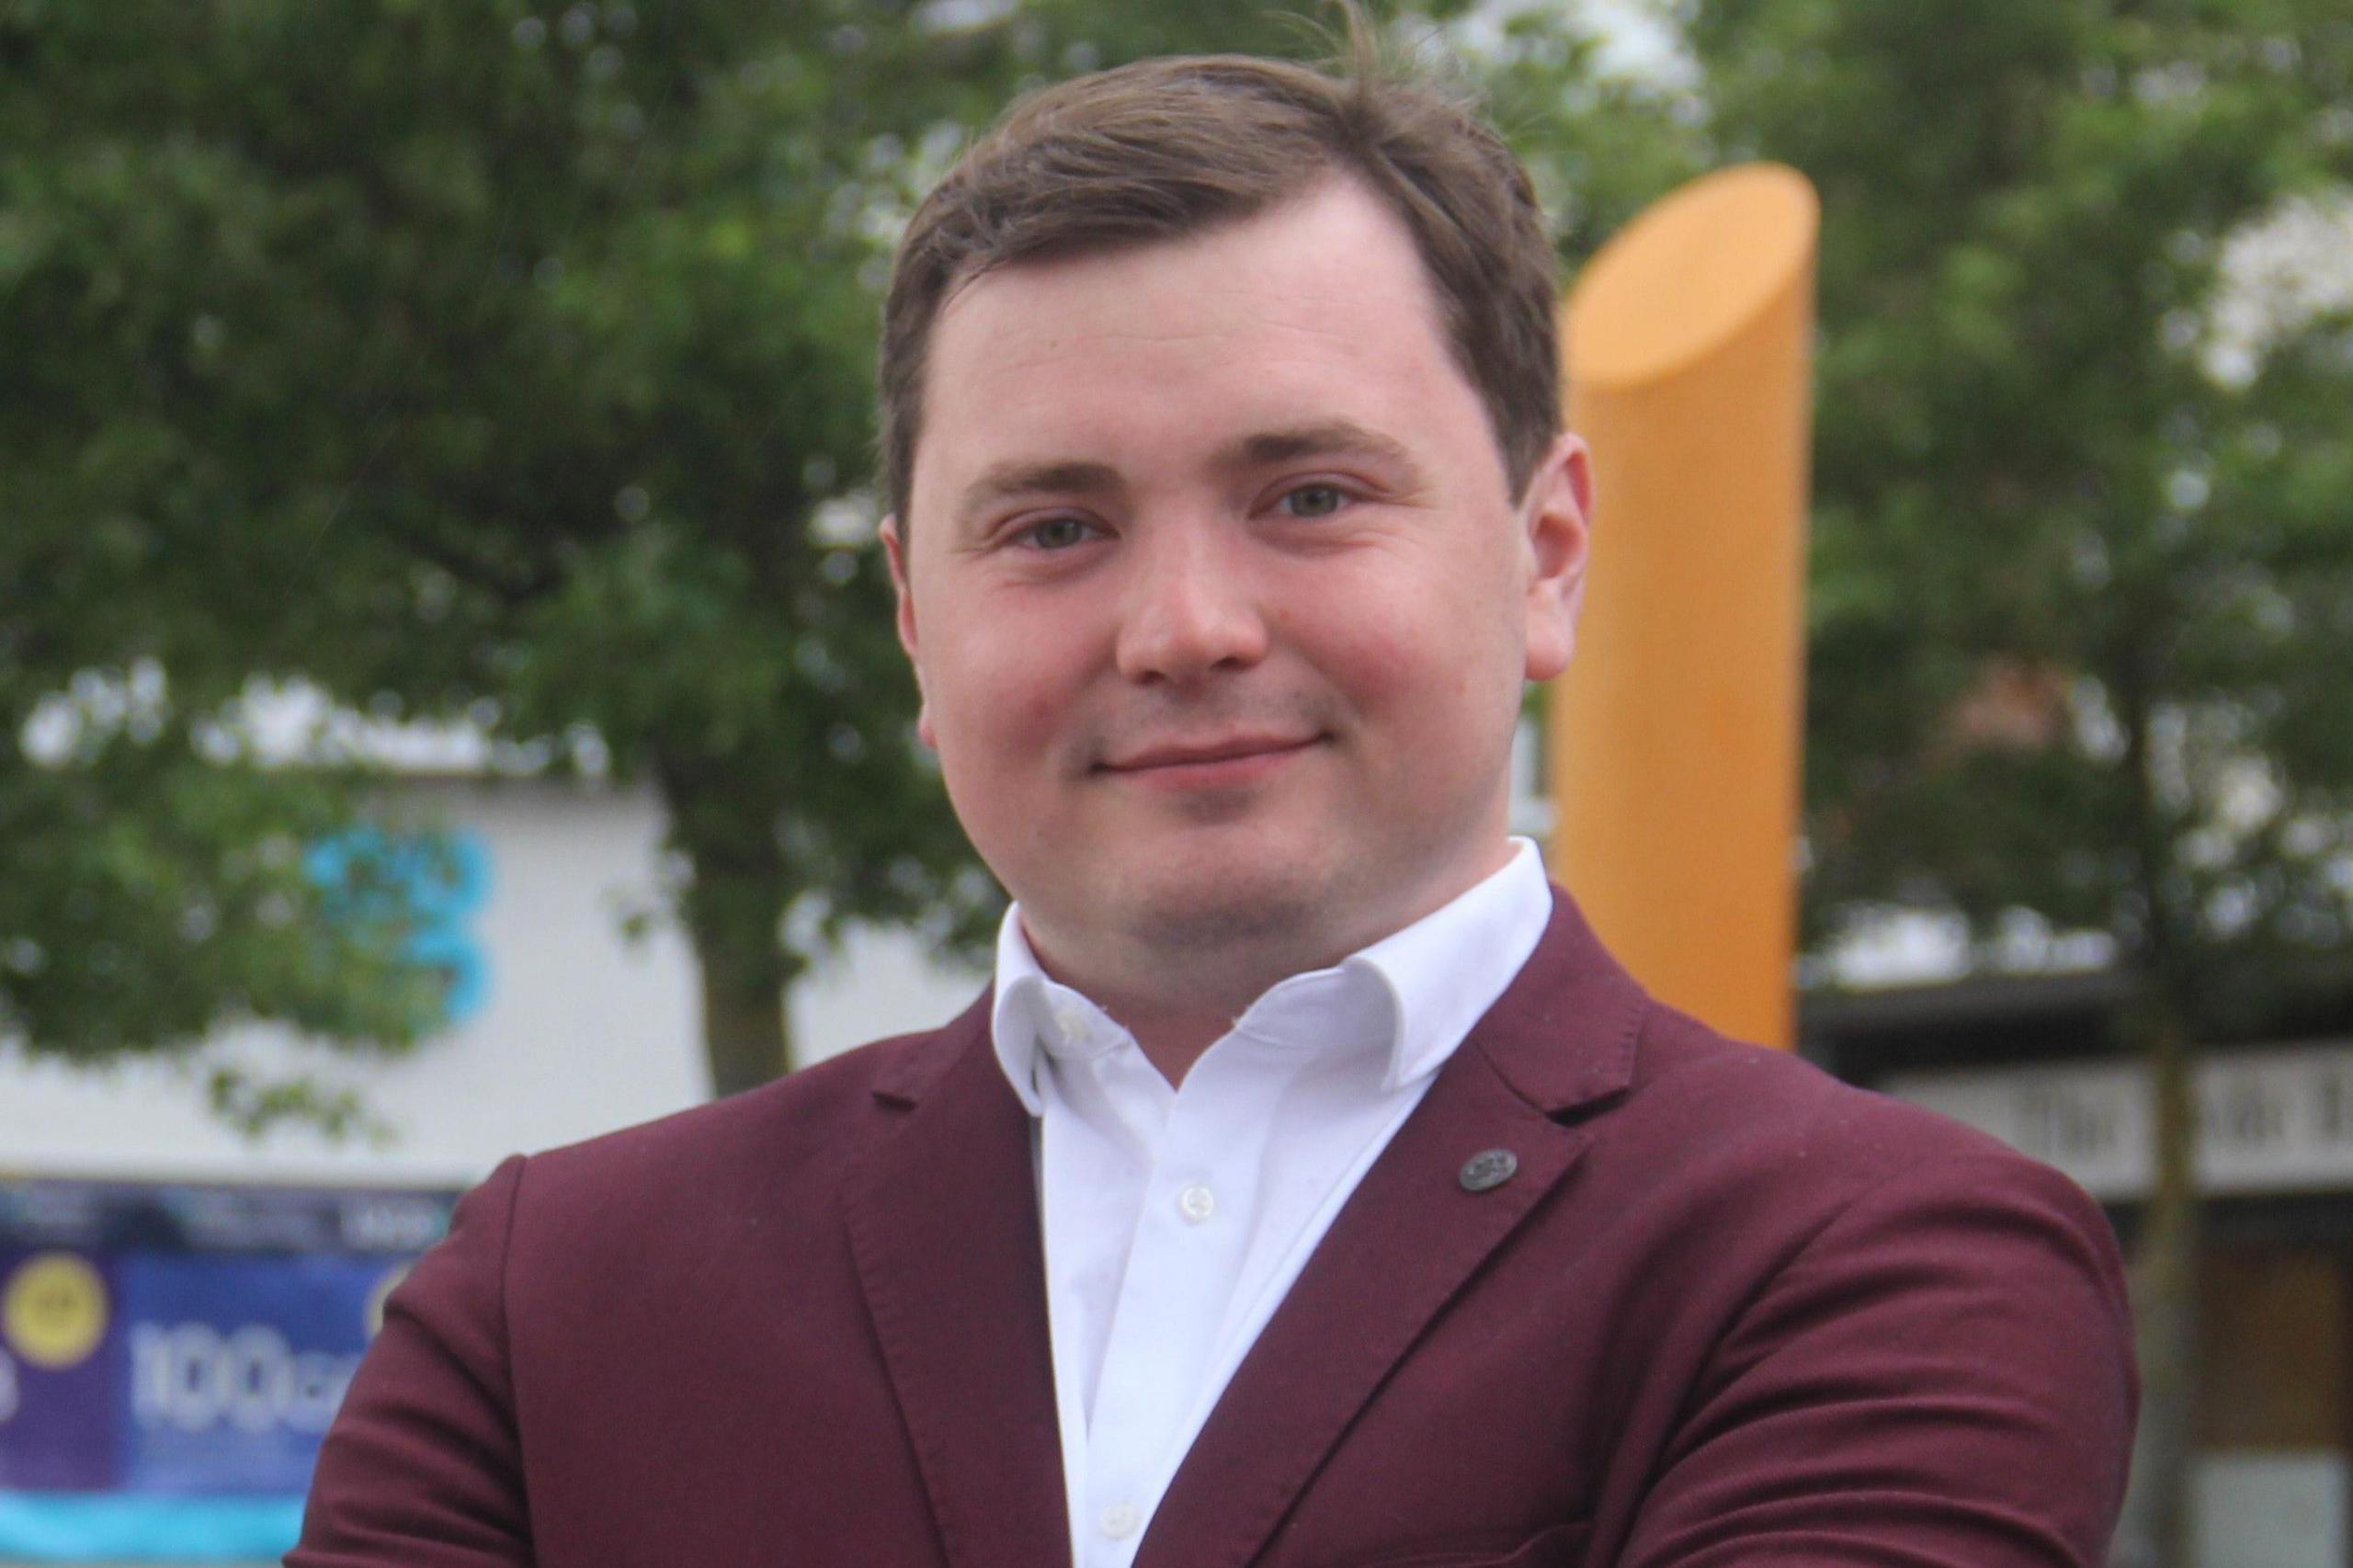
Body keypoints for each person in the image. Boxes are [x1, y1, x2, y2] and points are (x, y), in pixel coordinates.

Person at [291, 28, 2136, 1568]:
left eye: (1309, 495)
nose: (1182, 627)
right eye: (1055, 527)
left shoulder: (1869, 1270)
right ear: (915, 626)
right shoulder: (556, 1299)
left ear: (1545, 552)